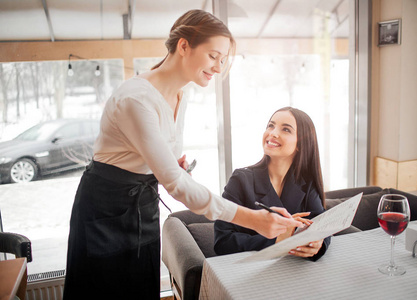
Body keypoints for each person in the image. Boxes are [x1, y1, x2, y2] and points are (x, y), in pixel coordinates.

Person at [63, 9, 301, 300]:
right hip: (105, 209)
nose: (217, 67)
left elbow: (164, 162)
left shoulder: (179, 94)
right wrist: (254, 219)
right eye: (213, 56)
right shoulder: (135, 99)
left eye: (222, 60)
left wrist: (170, 165)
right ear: (184, 46)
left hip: (143, 206)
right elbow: (175, 184)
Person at [214, 107, 331, 261]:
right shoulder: (241, 180)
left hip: (295, 271)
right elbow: (222, 242)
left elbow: (323, 224)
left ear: (300, 144)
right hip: (248, 273)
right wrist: (277, 240)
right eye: (271, 125)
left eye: (286, 129)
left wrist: (318, 242)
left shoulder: (306, 183)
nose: (273, 133)